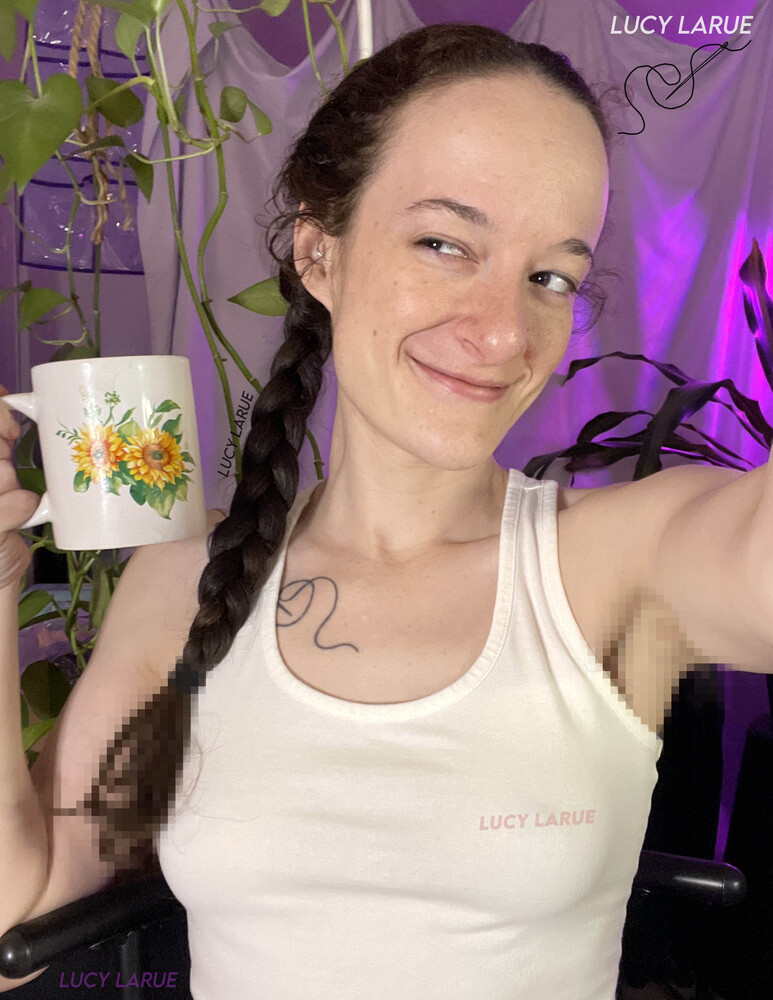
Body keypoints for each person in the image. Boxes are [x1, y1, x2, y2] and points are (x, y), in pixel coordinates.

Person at [0, 21, 770, 1000]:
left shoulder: (622, 565)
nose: (503, 332)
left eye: (549, 277)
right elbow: (15, 922)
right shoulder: (178, 589)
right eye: (443, 243)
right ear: (318, 255)